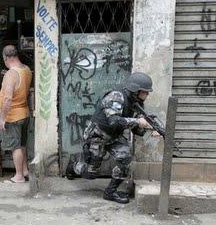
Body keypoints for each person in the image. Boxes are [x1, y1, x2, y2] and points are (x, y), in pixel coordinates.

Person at [66, 72, 159, 204]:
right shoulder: (116, 97)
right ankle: (74, 163)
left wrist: (149, 129)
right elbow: (114, 121)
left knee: (125, 159)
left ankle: (110, 192)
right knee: (91, 173)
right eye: (145, 91)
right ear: (135, 90)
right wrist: (138, 121)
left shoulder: (137, 104)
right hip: (97, 136)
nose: (147, 95)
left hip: (115, 136)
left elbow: (135, 129)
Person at [0, 45, 32, 183]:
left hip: (13, 116)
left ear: (6, 57)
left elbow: (7, 98)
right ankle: (25, 171)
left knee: (15, 147)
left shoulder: (11, 73)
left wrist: (2, 119)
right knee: (22, 145)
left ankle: (18, 176)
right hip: (24, 113)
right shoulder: (27, 69)